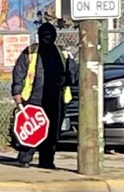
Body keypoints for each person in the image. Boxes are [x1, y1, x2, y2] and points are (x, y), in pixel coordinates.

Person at [9, 22, 76, 169]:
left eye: (50, 35)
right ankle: (24, 158)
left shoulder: (63, 53)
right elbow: (19, 72)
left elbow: (73, 74)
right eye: (44, 35)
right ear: (39, 36)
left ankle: (47, 161)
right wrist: (17, 92)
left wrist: (66, 80)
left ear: (54, 36)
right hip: (33, 98)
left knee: (52, 133)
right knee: (31, 130)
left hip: (56, 99)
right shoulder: (31, 52)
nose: (47, 37)